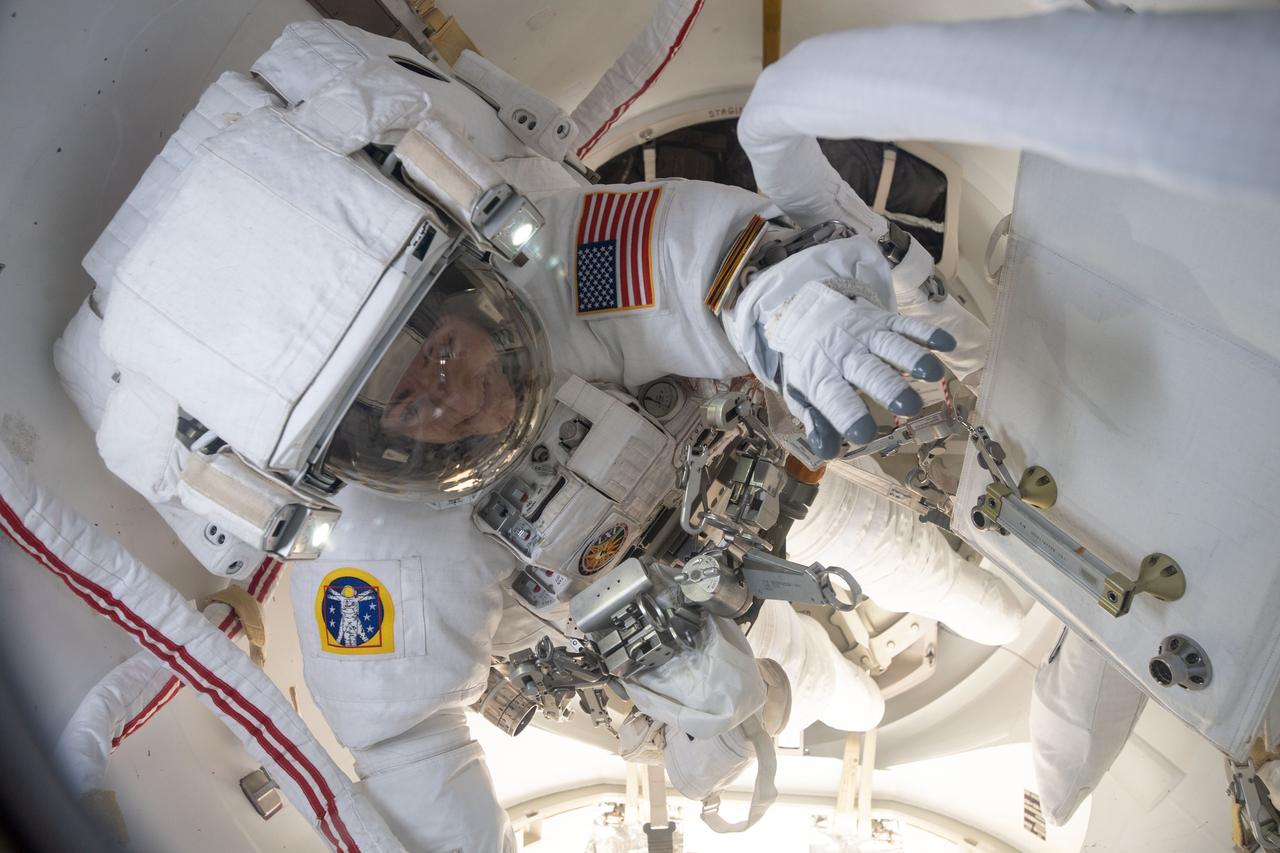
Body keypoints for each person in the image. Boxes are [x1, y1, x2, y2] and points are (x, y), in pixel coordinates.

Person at [59, 19, 1009, 851]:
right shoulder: (378, 542)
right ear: (363, 447)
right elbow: (402, 737)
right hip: (637, 629)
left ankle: (1019, 627)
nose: (452, 399)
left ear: (464, 288)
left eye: (438, 347)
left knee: (941, 581)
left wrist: (791, 307)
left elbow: (695, 261)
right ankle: (830, 695)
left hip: (760, 491)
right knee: (817, 693)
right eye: (405, 406)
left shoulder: (547, 269)